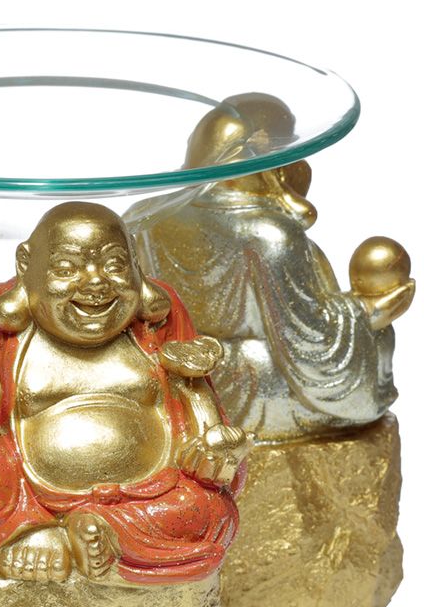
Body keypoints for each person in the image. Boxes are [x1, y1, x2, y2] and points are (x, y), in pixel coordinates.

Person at [0, 202, 251, 585]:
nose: (95, 284)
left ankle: (98, 536)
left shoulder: (159, 316)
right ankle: (27, 533)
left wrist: (214, 450)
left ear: (136, 262)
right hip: (28, 495)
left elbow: (195, 397)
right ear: (25, 265)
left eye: (114, 265)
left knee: (212, 512)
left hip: (151, 491)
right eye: (66, 269)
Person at [136, 93, 414, 441]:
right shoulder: (269, 236)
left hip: (169, 378)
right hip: (246, 386)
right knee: (377, 340)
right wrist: (367, 311)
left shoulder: (146, 217)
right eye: (286, 149)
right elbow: (306, 339)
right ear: (262, 154)